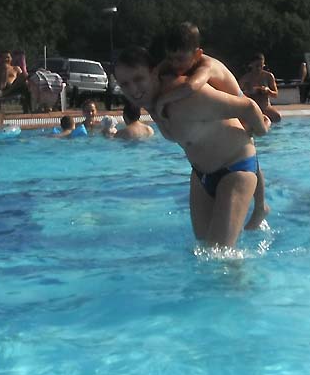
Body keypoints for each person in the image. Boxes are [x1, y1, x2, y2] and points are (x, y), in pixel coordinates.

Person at [114, 45, 270, 248]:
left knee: (220, 255)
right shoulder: (151, 102)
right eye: (125, 84)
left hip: (236, 168)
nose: (133, 89)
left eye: (138, 79)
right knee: (203, 252)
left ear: (154, 73)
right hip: (201, 176)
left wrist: (261, 130)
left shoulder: (187, 97)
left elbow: (248, 107)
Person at [156, 22, 271, 230]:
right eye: (170, 58)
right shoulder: (178, 61)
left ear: (197, 54)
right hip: (227, 111)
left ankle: (261, 206)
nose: (174, 65)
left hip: (242, 108)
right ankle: (260, 205)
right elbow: (158, 70)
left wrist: (162, 101)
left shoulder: (206, 65)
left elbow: (191, 86)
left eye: (180, 59)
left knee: (251, 149)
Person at [239, 53, 282, 123]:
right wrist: (249, 92)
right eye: (257, 66)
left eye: (261, 66)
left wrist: (268, 91)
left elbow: (275, 94)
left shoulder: (268, 76)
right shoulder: (245, 78)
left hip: (265, 107)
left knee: (277, 117)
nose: (259, 68)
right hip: (252, 108)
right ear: (251, 65)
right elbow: (237, 94)